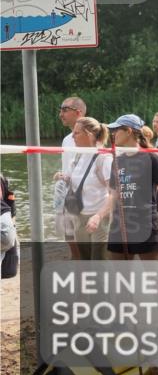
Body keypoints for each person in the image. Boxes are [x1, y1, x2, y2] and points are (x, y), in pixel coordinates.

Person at [88, 114, 158, 259]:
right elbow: (113, 195)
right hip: (120, 227)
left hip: (146, 225)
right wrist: (98, 216)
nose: (113, 134)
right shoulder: (117, 161)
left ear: (129, 131)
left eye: (117, 130)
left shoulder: (152, 158)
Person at [64, 117, 112, 260]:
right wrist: (64, 178)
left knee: (98, 263)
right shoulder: (79, 155)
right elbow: (77, 181)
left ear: (89, 135)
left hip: (99, 218)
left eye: (76, 133)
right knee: (84, 261)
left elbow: (114, 194)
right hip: (79, 216)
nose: (72, 136)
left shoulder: (104, 158)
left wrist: (98, 216)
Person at [54, 96, 86, 258]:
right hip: (67, 194)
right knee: (68, 235)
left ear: (78, 113)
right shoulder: (67, 140)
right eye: (60, 110)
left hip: (85, 196)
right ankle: (78, 266)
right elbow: (70, 167)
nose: (61, 114)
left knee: (85, 239)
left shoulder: (91, 138)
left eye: (65, 110)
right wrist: (62, 175)